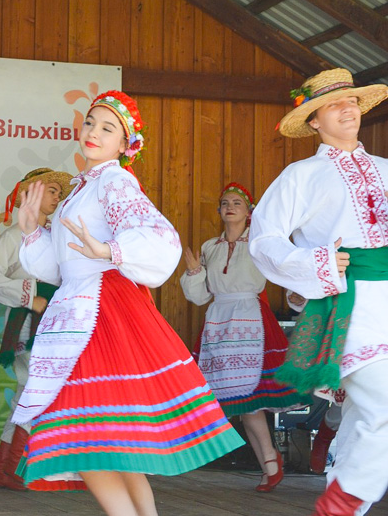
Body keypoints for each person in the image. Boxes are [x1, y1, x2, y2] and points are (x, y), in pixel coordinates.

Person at [13, 90, 243, 515]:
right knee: (115, 440)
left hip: (100, 312)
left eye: (108, 127)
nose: (94, 133)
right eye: (90, 123)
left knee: (85, 438)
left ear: (125, 144)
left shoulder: (115, 181)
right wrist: (31, 231)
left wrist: (109, 251)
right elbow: (59, 266)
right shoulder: (82, 189)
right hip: (79, 305)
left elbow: (159, 236)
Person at [249, 68, 388, 516]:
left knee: (362, 419)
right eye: (335, 104)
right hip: (348, 306)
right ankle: (339, 506)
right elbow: (264, 240)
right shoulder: (301, 175)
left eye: (353, 102)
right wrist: (316, 264)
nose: (348, 109)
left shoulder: (385, 170)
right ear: (313, 122)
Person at [180, 182, 302, 492]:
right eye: (224, 202)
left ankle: (270, 464)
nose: (230, 207)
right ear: (220, 210)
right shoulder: (210, 247)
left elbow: (284, 273)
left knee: (249, 399)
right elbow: (198, 298)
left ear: (250, 212)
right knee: (238, 401)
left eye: (237, 202)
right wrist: (194, 272)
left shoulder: (259, 244)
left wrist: (299, 293)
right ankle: (270, 462)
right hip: (219, 322)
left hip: (251, 320)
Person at [0, 167, 72, 491]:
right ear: (29, 193)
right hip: (28, 324)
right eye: (51, 190)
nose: (56, 197)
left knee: (28, 396)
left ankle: (6, 471)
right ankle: (16, 470)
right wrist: (31, 297)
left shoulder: (56, 236)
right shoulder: (13, 235)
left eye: (58, 193)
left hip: (54, 323)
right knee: (36, 394)